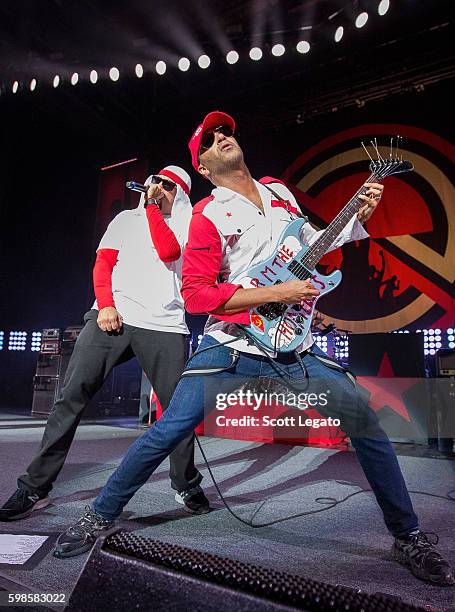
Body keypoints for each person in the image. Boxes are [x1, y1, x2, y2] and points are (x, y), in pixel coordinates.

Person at [52, 112, 454, 587]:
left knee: (365, 424)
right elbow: (198, 296)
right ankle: (98, 515)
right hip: (233, 343)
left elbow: (311, 246)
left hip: (293, 342)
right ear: (202, 167)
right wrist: (276, 295)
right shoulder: (207, 215)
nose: (223, 137)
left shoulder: (278, 192)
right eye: (210, 139)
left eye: (226, 131)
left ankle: (407, 535)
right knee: (167, 432)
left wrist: (354, 221)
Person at [0, 165, 209, 524]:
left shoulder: (188, 223)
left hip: (164, 324)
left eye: (166, 185)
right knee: (70, 398)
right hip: (112, 315)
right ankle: (36, 487)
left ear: (181, 193)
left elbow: (169, 250)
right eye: (154, 181)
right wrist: (106, 304)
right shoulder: (125, 219)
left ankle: (185, 483)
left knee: (178, 412)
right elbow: (103, 264)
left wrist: (152, 209)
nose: (156, 187)